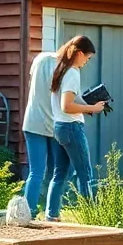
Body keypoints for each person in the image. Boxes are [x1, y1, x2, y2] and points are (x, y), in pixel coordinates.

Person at [46, 36, 109, 220]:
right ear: (79, 53)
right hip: (71, 127)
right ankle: (93, 218)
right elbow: (67, 105)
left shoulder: (60, 70)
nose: (86, 62)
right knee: (86, 174)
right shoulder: (73, 72)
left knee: (60, 174)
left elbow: (64, 105)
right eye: (87, 58)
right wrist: (93, 108)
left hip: (59, 127)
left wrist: (84, 106)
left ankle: (51, 216)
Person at [21, 49, 60, 218]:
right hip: (54, 124)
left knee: (35, 172)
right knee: (56, 172)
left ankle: (27, 211)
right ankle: (51, 212)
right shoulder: (64, 67)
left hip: (32, 122)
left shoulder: (39, 60)